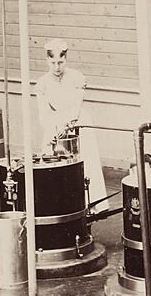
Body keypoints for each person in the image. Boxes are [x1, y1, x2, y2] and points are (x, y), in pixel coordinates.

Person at [34, 39, 106, 203]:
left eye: (60, 62)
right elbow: (43, 113)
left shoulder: (76, 77)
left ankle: (92, 203)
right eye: (53, 63)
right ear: (47, 60)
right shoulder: (42, 83)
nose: (57, 67)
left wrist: (67, 126)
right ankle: (61, 205)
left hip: (78, 122)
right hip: (54, 125)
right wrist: (51, 130)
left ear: (66, 59)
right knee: (53, 162)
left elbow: (75, 108)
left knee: (85, 162)